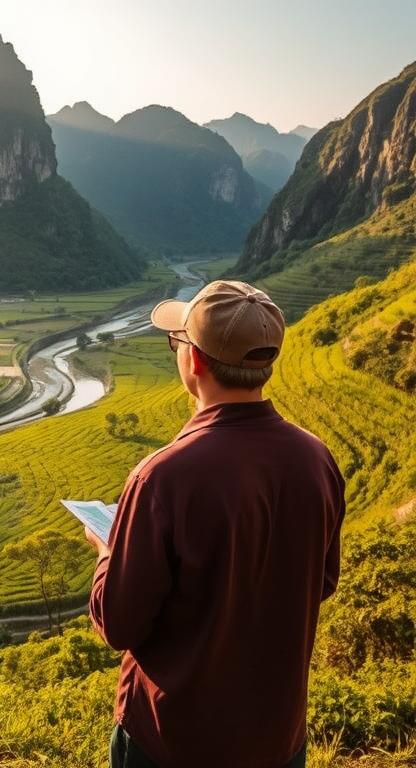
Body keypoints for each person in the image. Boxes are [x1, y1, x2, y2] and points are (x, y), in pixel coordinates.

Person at [86, 281, 345, 768]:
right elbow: (322, 582)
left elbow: (119, 623)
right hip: (277, 737)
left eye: (178, 341)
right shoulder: (316, 458)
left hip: (172, 741)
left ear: (196, 361)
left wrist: (107, 553)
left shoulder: (162, 476)